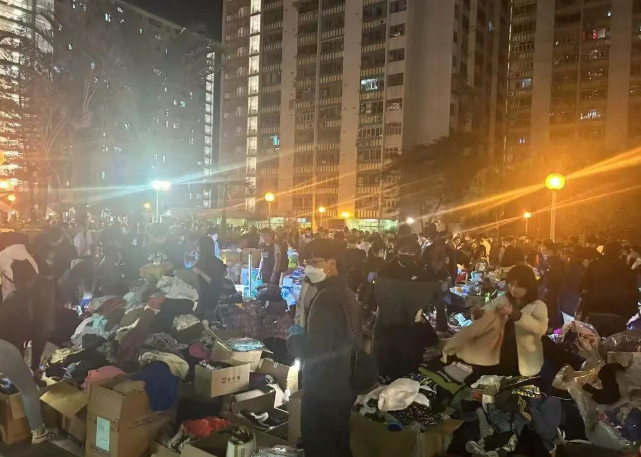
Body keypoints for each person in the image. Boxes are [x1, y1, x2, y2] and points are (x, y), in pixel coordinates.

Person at [295, 238, 363, 457]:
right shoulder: (346, 292)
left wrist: (293, 339)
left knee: (319, 445)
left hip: (323, 387)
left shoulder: (326, 299)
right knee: (338, 443)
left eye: (315, 261)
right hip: (343, 383)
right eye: (307, 262)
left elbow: (315, 350)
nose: (310, 267)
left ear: (331, 262)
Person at [456, 265, 548, 382]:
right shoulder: (503, 299)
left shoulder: (538, 305)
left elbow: (540, 329)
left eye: (518, 285)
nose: (513, 289)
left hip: (520, 357)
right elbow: (486, 312)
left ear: (528, 286)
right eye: (511, 284)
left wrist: (516, 315)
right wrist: (478, 314)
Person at [0, 260, 58, 443]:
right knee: (29, 390)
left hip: (5, 347)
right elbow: (39, 336)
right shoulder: (34, 300)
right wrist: (35, 367)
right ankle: (38, 432)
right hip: (5, 349)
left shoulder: (12, 297)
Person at [579, 242, 639, 336]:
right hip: (617, 315)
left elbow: (583, 285)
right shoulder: (626, 269)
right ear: (620, 254)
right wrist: (630, 313)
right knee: (615, 343)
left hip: (594, 312)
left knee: (591, 342)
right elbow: (633, 293)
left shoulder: (594, 265)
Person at [193, 236, 226, 315]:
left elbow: (214, 282)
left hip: (209, 300)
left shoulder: (216, 263)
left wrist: (200, 272)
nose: (195, 248)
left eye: (197, 245)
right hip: (199, 298)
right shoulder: (200, 261)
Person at [539, 240, 564, 329]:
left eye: (544, 247)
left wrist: (543, 273)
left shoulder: (554, 262)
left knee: (551, 311)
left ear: (550, 250)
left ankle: (553, 330)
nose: (541, 249)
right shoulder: (550, 260)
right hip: (549, 290)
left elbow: (554, 277)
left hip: (550, 290)